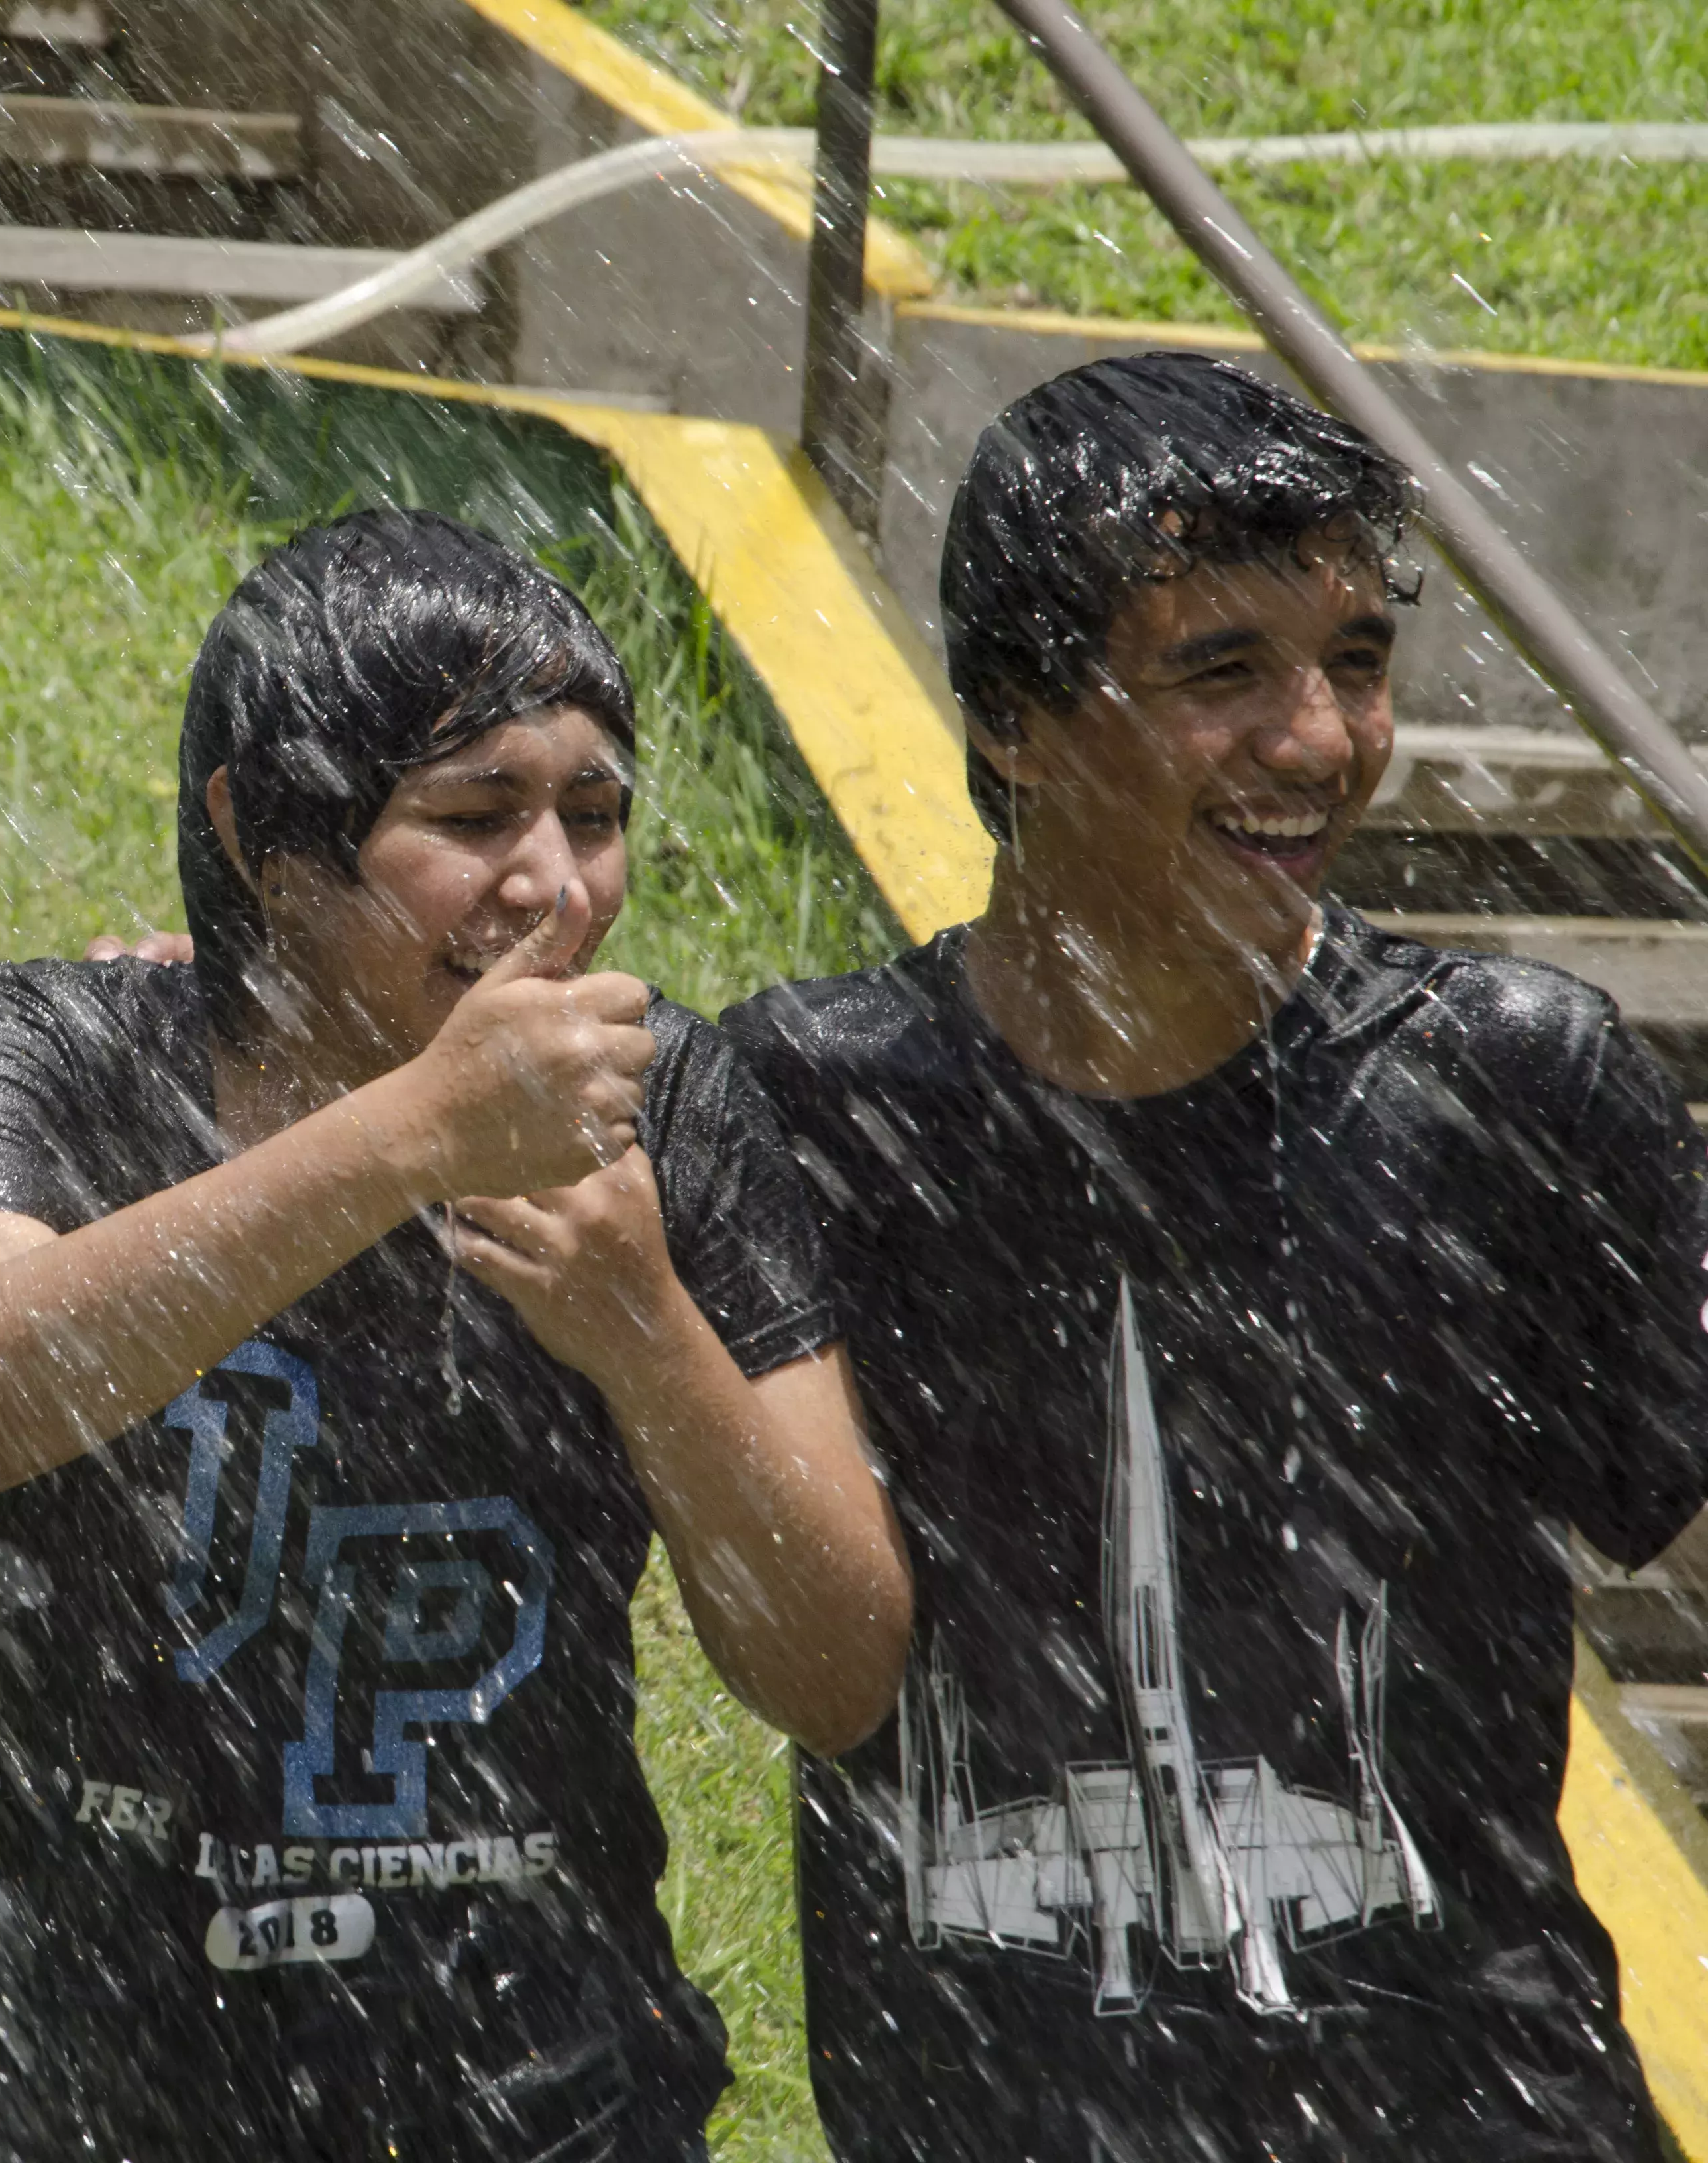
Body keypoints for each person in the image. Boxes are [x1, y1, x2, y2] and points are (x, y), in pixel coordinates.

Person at [720, 352, 1708, 2160]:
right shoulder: (807, 1108)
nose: (1321, 744)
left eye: (1355, 664)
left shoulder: (1509, 1086)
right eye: (1222, 674)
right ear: (1012, 718)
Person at [0, 510, 912, 2161]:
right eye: (474, 814)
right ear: (261, 833)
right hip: (63, 2084)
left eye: (595, 814)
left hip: (533, 2091)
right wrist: (414, 1133)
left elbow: (839, 1672)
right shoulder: (52, 1049)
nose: (555, 886)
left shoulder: (669, 1112)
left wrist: (643, 1332)